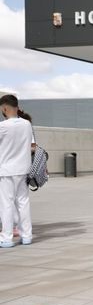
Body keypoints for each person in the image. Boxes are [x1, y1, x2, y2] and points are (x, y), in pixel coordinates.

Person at [0, 94, 34, 248]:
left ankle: (6, 238)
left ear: (4, 108)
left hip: (7, 170)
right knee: (23, 202)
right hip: (23, 169)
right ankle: (26, 236)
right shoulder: (27, 124)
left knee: (6, 204)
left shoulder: (3, 126)